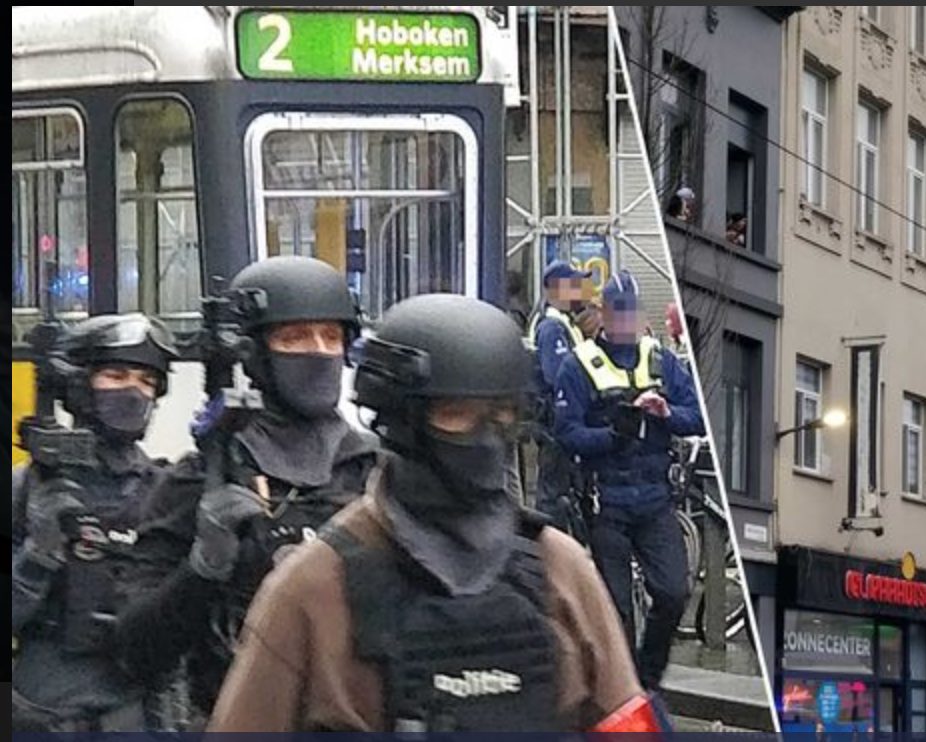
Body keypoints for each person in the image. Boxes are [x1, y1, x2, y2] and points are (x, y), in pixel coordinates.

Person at [206, 293, 657, 732]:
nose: (483, 436)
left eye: (500, 414)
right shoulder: (313, 588)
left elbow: (624, 721)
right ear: (400, 421)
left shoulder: (561, 569)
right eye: (455, 414)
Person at [113, 256, 379, 717]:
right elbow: (135, 649)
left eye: (330, 337)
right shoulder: (202, 476)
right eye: (293, 337)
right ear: (256, 353)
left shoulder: (378, 471)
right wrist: (202, 569)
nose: (317, 351)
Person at [12, 314, 178, 731]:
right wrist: (38, 557)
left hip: (139, 708)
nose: (133, 391)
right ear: (80, 385)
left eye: (146, 381)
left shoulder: (168, 491)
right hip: (43, 709)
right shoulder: (26, 488)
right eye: (116, 374)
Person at [552, 271, 705, 693]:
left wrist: (664, 413)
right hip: (607, 502)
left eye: (632, 314)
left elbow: (696, 416)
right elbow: (566, 435)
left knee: (674, 593)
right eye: (618, 313)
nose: (625, 323)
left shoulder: (661, 360)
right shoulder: (579, 365)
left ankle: (646, 678)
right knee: (615, 610)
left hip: (655, 498)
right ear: (604, 314)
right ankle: (620, 692)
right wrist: (614, 433)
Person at [524, 260, 604, 525]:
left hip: (563, 422)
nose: (581, 291)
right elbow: (557, 375)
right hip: (556, 425)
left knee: (566, 493)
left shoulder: (566, 326)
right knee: (553, 497)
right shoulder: (552, 328)